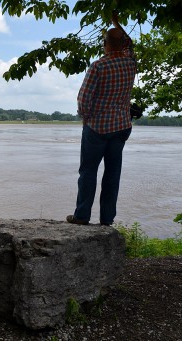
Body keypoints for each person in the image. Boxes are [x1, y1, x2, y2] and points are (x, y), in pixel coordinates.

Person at [67, 12, 136, 226]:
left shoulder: (99, 66)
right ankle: (107, 219)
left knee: (88, 171)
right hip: (122, 126)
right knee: (112, 174)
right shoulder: (130, 63)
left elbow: (83, 99)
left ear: (105, 44)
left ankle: (82, 216)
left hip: (97, 127)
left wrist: (85, 118)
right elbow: (129, 43)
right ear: (122, 44)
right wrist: (116, 23)